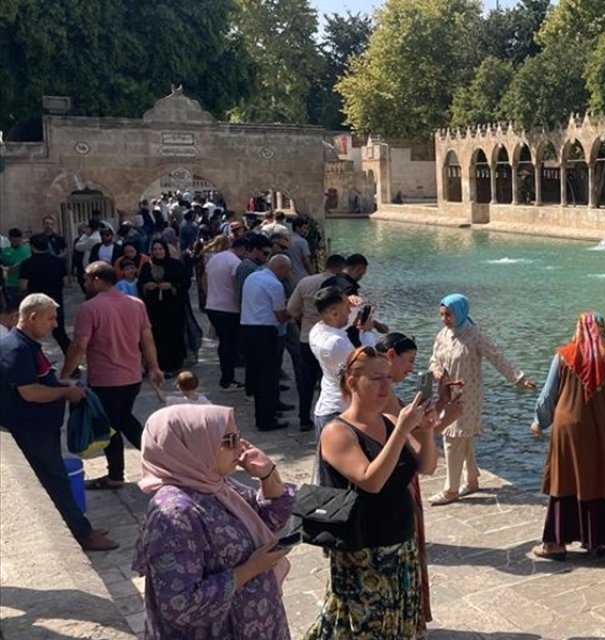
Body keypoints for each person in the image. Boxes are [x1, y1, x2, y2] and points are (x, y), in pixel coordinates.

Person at [305, 347, 437, 639]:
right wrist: (403, 430)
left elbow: (426, 467)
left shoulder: (389, 424)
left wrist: (426, 432)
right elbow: (370, 480)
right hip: (364, 550)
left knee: (396, 623)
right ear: (352, 383)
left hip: (400, 544)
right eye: (376, 378)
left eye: (388, 378)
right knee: (364, 628)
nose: (386, 385)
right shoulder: (337, 432)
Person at [133, 404, 295, 639]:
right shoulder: (175, 514)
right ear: (190, 446)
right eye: (228, 440)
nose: (239, 448)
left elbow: (271, 518)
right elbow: (179, 604)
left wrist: (268, 475)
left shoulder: (215, 485)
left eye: (238, 437)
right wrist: (250, 569)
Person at [0, 294, 117, 551]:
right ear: (32, 317)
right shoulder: (15, 348)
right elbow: (30, 392)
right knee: (56, 480)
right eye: (50, 318)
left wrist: (62, 384)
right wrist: (65, 393)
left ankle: (77, 527)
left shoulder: (28, 344)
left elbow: (40, 381)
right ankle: (82, 534)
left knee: (56, 479)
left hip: (41, 429)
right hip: (30, 431)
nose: (54, 324)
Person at [530, 312, 605, 559]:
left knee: (565, 480)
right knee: (604, 478)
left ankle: (556, 544)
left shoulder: (564, 355)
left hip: (569, 429)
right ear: (602, 329)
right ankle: (602, 542)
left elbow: (548, 395)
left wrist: (539, 422)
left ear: (578, 330)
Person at [61, 261, 163, 490]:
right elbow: (147, 339)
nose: (84, 282)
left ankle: (116, 474)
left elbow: (79, 346)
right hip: (132, 376)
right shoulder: (136, 304)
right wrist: (153, 366)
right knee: (124, 419)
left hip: (106, 378)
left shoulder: (89, 309)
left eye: (87, 278)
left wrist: (65, 374)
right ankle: (160, 461)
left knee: (111, 425)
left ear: (97, 280)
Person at [427, 293, 536, 505]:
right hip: (446, 394)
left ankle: (451, 489)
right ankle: (472, 479)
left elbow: (496, 357)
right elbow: (434, 360)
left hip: (468, 396)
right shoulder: (443, 335)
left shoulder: (474, 334)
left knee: (453, 438)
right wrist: (437, 372)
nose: (444, 319)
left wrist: (519, 378)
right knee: (461, 436)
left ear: (459, 313)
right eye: (441, 315)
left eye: (447, 315)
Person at [374, 332, 449, 633]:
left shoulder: (390, 397)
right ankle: (405, 621)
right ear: (390, 356)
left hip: (403, 482)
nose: (409, 369)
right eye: (409, 361)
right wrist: (445, 416)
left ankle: (408, 619)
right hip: (396, 488)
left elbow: (418, 441)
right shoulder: (386, 399)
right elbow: (414, 447)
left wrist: (443, 404)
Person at [288, 254, 347, 429]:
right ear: (340, 268)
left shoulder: (305, 282)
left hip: (308, 338)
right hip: (333, 341)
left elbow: (291, 309)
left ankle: (304, 418)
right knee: (330, 381)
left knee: (306, 381)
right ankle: (333, 418)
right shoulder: (342, 287)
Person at [309, 286, 375, 430]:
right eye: (347, 308)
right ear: (334, 313)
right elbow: (369, 361)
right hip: (338, 412)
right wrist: (367, 332)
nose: (350, 311)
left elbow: (343, 320)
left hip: (329, 403)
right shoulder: (335, 344)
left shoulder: (318, 329)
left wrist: (354, 304)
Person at [240, 255, 293, 431]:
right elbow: (280, 315)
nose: (287, 275)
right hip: (264, 331)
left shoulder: (252, 277)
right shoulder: (275, 285)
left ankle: (268, 409)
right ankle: (266, 418)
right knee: (268, 376)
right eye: (286, 270)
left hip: (248, 328)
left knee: (257, 373)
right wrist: (294, 312)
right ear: (279, 268)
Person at [139, 241, 190, 375]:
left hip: (172, 308)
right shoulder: (147, 266)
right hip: (154, 309)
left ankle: (175, 364)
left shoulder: (175, 265)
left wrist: (172, 286)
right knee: (157, 336)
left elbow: (185, 283)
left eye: (160, 249)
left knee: (173, 334)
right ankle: (159, 365)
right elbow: (141, 283)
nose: (158, 252)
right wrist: (146, 286)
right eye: (155, 249)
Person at [205, 236, 249, 390]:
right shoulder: (235, 262)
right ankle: (227, 378)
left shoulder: (214, 258)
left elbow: (204, 280)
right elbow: (237, 285)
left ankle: (227, 375)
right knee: (230, 344)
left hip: (212, 306)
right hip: (228, 308)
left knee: (224, 342)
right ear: (242, 248)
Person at [18, 234, 71, 353]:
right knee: (60, 334)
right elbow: (66, 282)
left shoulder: (27, 264)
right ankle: (74, 365)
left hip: (35, 305)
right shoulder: (58, 262)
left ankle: (37, 365)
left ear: (32, 247)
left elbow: (23, 286)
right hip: (55, 303)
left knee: (32, 336)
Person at [287, 217, 313, 284]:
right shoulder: (302, 241)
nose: (305, 231)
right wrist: (312, 274)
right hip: (302, 276)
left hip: (290, 277)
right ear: (297, 228)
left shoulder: (287, 240)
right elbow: (306, 261)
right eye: (304, 228)